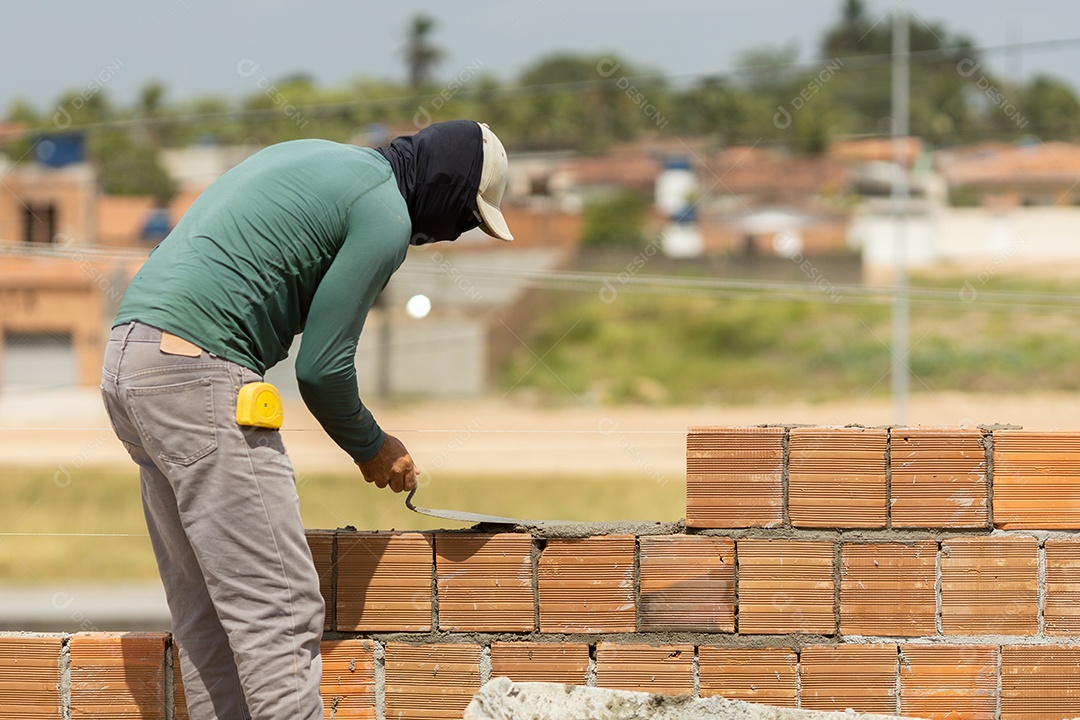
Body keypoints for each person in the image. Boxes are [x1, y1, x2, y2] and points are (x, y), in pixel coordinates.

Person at [99, 120, 513, 720]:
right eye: (466, 218)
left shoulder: (316, 157)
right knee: (279, 607)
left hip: (130, 362)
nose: (450, 234)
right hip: (199, 371)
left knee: (210, 612)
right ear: (448, 189)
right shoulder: (386, 212)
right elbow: (322, 368)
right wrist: (373, 445)